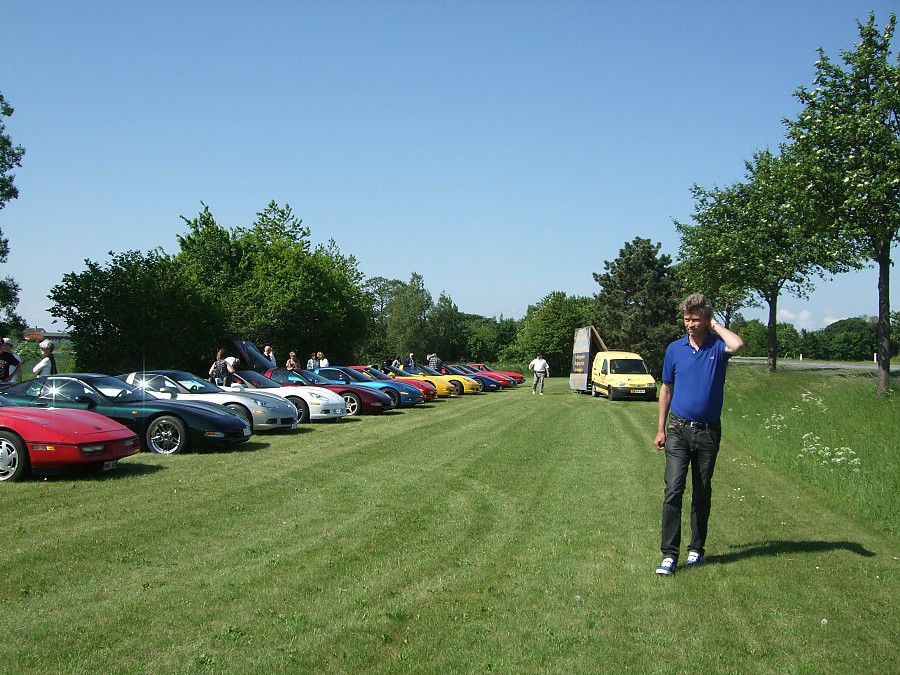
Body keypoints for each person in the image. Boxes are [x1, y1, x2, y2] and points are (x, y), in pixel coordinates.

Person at [653, 293, 744, 576]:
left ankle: (696, 549)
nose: (690, 324)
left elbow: (737, 344)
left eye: (695, 319)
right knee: (673, 490)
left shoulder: (718, 347)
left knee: (702, 492)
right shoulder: (675, 349)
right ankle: (669, 555)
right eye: (686, 319)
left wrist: (715, 325)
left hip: (708, 433)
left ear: (706, 319)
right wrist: (660, 429)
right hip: (678, 429)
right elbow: (666, 389)